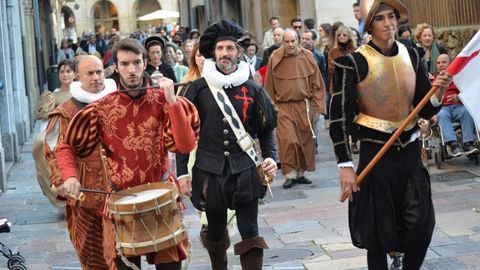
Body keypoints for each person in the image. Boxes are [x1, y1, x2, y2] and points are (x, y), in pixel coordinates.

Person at [55, 38, 200, 270]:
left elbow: (184, 145)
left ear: (145, 63)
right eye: (124, 64)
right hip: (121, 202)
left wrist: (172, 101)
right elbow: (66, 146)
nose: (131, 70)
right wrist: (70, 176)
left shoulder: (163, 100)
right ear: (115, 67)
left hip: (160, 199)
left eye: (136, 62)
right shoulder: (102, 107)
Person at [329, 1, 452, 269]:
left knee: (421, 226)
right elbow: (338, 119)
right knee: (377, 235)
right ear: (370, 25)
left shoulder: (413, 54)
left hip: (408, 153)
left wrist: (439, 91)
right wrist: (345, 165)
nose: (388, 24)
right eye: (381, 19)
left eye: (392, 17)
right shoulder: (352, 63)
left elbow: (424, 104)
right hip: (375, 154)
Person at [176, 20, 278, 270]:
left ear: (239, 53)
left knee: (250, 232)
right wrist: (182, 173)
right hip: (209, 172)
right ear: (214, 52)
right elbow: (182, 134)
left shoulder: (253, 89)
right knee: (216, 233)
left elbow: (266, 129)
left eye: (230, 48)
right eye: (220, 48)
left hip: (245, 169)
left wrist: (271, 157)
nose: (225, 53)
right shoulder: (196, 90)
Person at [44, 56, 117, 269]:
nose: (96, 78)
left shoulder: (117, 102)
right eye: (90, 74)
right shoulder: (66, 111)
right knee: (91, 254)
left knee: (121, 256)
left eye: (99, 72)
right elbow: (54, 148)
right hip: (84, 193)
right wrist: (62, 178)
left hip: (118, 191)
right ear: (78, 77)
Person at [264, 29, 325, 189]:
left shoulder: (308, 56)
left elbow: (317, 82)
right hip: (283, 106)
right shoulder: (275, 57)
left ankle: (300, 173)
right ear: (282, 42)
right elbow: (269, 85)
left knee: (304, 140)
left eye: (293, 41)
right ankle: (289, 174)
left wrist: (319, 105)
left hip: (304, 106)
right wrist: (270, 108)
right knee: (288, 139)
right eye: (287, 41)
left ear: (297, 41)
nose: (290, 44)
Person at [32, 59, 75, 208]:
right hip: (59, 135)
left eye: (68, 71)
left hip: (78, 134)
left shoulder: (81, 92)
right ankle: (65, 198)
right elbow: (47, 122)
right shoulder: (53, 96)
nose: (65, 74)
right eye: (62, 71)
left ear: (75, 73)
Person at [435, 54, 478, 157]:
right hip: (442, 108)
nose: (441, 65)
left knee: (466, 111)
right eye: (438, 63)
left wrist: (459, 97)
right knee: (442, 115)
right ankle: (453, 144)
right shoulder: (433, 78)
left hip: (457, 107)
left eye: (444, 62)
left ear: (450, 64)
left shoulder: (458, 79)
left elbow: (468, 92)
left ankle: (468, 143)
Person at [327, 25, 358, 151]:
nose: (341, 37)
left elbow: (357, 68)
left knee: (353, 115)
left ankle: (354, 141)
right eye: (339, 35)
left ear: (349, 36)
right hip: (338, 85)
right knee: (341, 115)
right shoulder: (333, 51)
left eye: (344, 35)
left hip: (353, 86)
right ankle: (344, 141)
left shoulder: (355, 50)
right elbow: (331, 68)